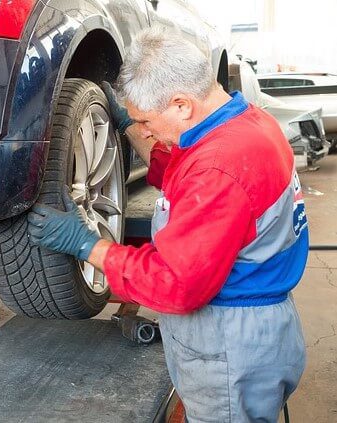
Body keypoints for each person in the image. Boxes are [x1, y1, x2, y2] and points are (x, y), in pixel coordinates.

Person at [27, 27, 307, 422]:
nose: (144, 130)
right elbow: (184, 172)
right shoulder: (247, 123)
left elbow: (176, 283)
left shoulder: (220, 168)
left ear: (181, 105)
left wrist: (89, 245)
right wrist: (127, 124)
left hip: (231, 344)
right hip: (259, 327)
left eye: (145, 120)